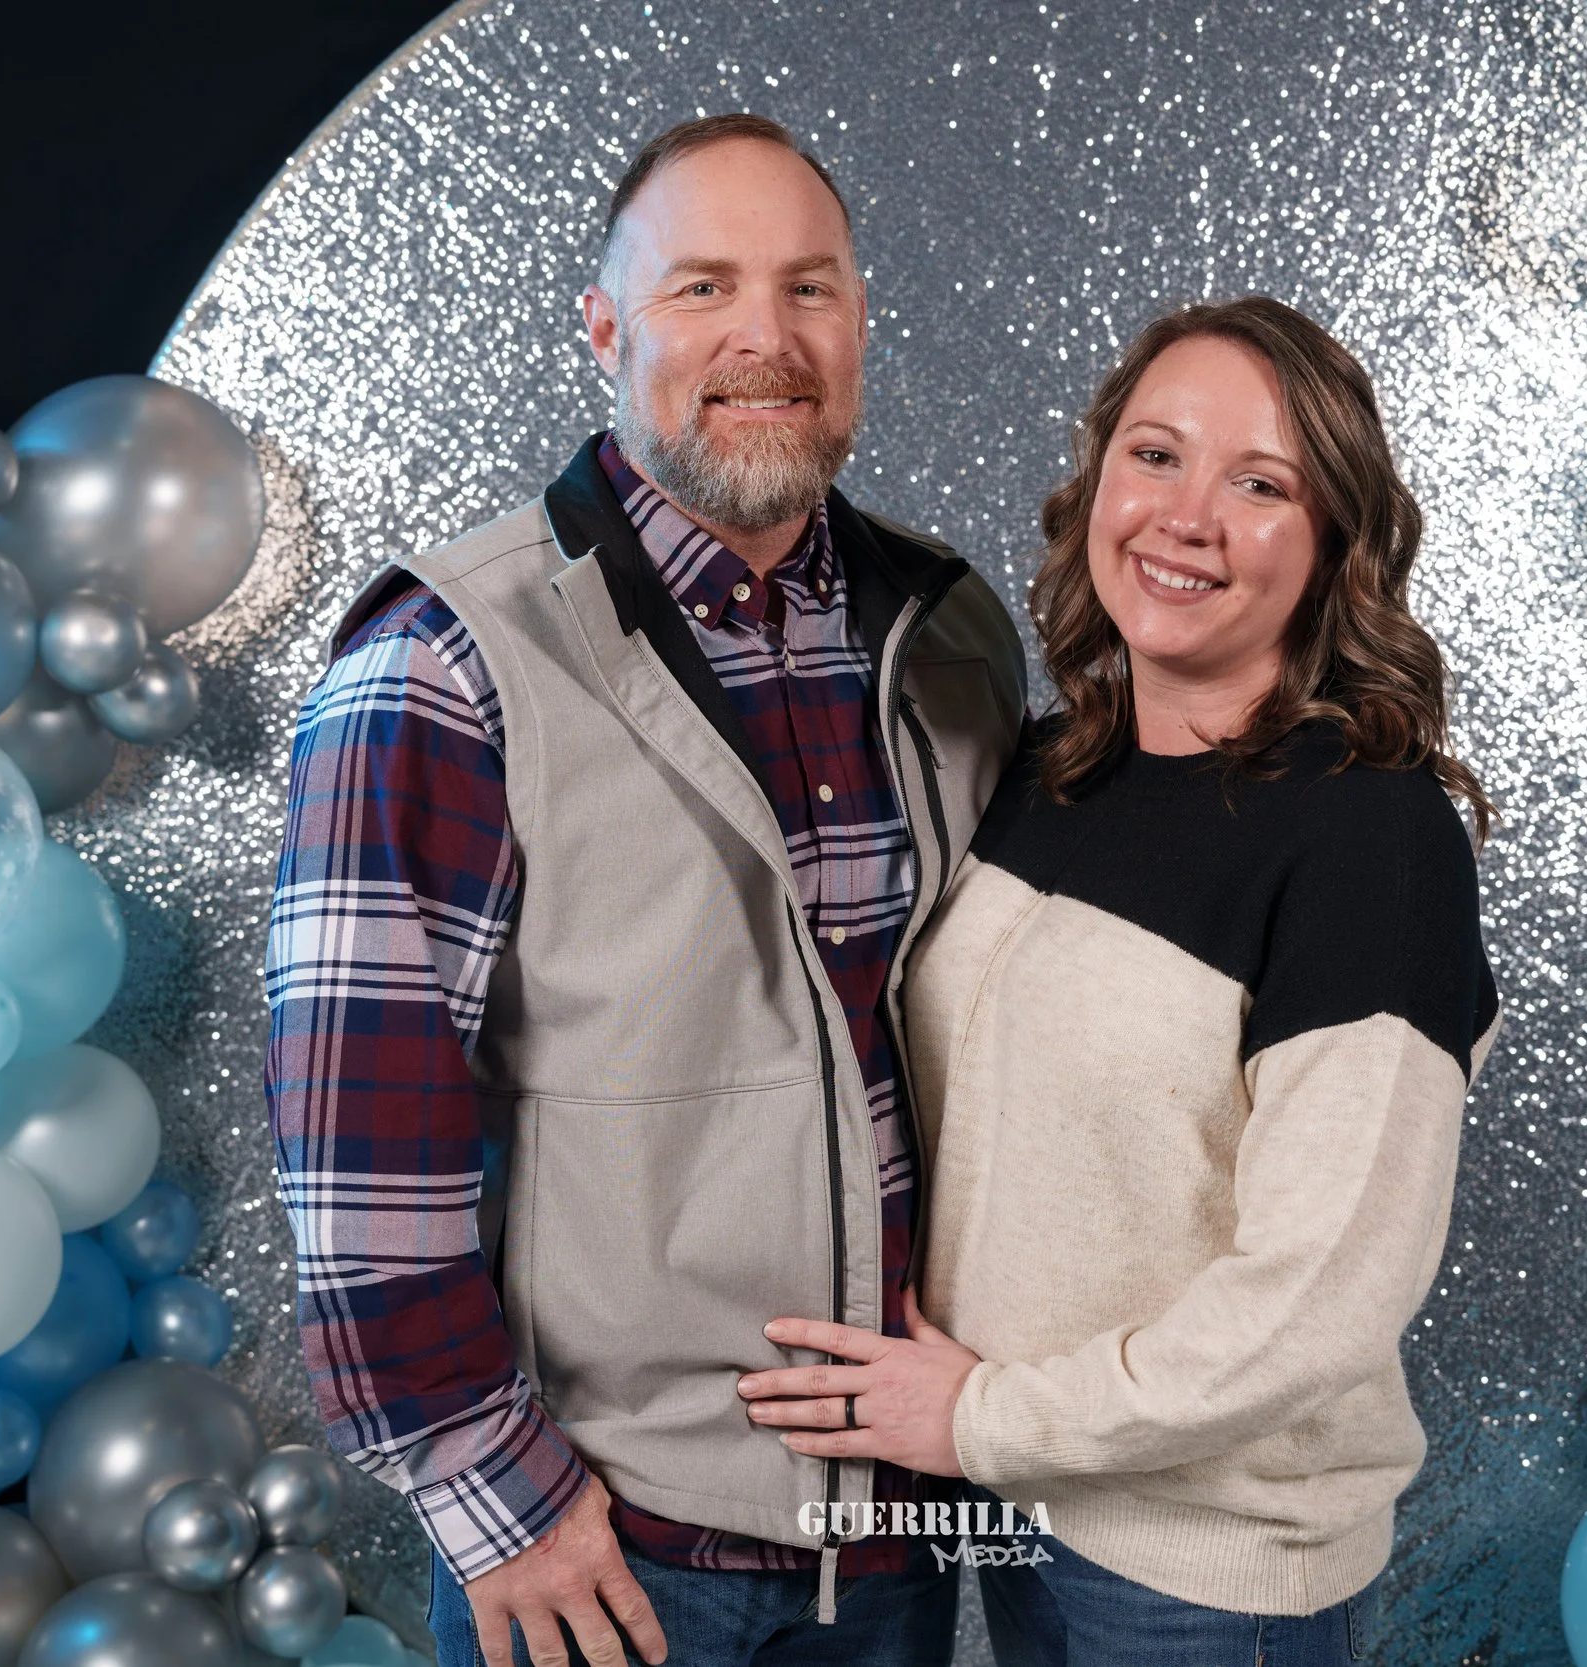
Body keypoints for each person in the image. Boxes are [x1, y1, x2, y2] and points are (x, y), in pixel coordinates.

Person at [262, 113, 1025, 1667]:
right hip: (614, 1556)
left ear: (862, 323)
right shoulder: (444, 662)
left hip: (900, 1541)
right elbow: (358, 1148)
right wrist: (501, 1500)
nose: (768, 336)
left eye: (810, 289)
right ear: (606, 329)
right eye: (703, 290)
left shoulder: (949, 637)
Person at [735, 296, 1503, 1665]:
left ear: (1332, 547)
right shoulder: (1042, 772)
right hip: (1027, 1513)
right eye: (1156, 455)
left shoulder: (1367, 836)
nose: (1187, 515)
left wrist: (978, 1419)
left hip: (1207, 1569)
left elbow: (1319, 1297)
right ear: (1099, 483)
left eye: (1260, 483)